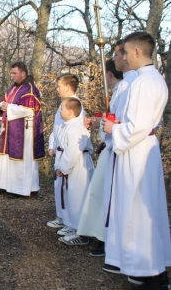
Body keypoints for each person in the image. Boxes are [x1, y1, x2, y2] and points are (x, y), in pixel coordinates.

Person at [102, 32, 171, 288]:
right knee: (144, 208)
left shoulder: (143, 83)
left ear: (138, 52)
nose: (126, 58)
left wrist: (113, 130)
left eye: (127, 52)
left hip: (137, 151)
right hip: (142, 149)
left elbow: (138, 127)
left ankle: (149, 271)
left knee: (138, 210)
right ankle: (149, 268)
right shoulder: (154, 79)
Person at [77, 56, 134, 256]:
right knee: (99, 193)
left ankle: (103, 237)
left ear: (109, 74)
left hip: (115, 149)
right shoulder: (120, 90)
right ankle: (97, 234)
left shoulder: (125, 89)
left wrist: (103, 125)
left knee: (102, 194)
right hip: (111, 147)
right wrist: (98, 121)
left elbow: (116, 124)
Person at [0, 62, 45, 198]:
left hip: (24, 130)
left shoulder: (29, 89)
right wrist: (3, 107)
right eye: (11, 73)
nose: (12, 76)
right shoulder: (12, 88)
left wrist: (9, 108)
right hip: (10, 128)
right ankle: (5, 184)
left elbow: (30, 110)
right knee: (7, 157)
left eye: (15, 73)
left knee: (22, 158)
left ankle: (20, 188)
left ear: (23, 73)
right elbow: (3, 102)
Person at [46, 74, 85, 231]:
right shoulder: (63, 106)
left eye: (59, 86)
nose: (57, 89)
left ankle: (70, 221)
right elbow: (57, 128)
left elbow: (74, 134)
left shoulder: (74, 106)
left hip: (69, 152)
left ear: (68, 87)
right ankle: (63, 217)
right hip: (60, 149)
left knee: (70, 189)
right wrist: (52, 145)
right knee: (60, 187)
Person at [53, 98, 94, 245]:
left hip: (79, 166)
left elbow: (72, 151)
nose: (60, 111)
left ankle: (81, 232)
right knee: (71, 195)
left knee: (78, 196)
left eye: (62, 108)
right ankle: (73, 225)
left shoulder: (76, 128)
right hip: (72, 164)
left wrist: (63, 168)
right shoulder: (68, 126)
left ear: (70, 112)